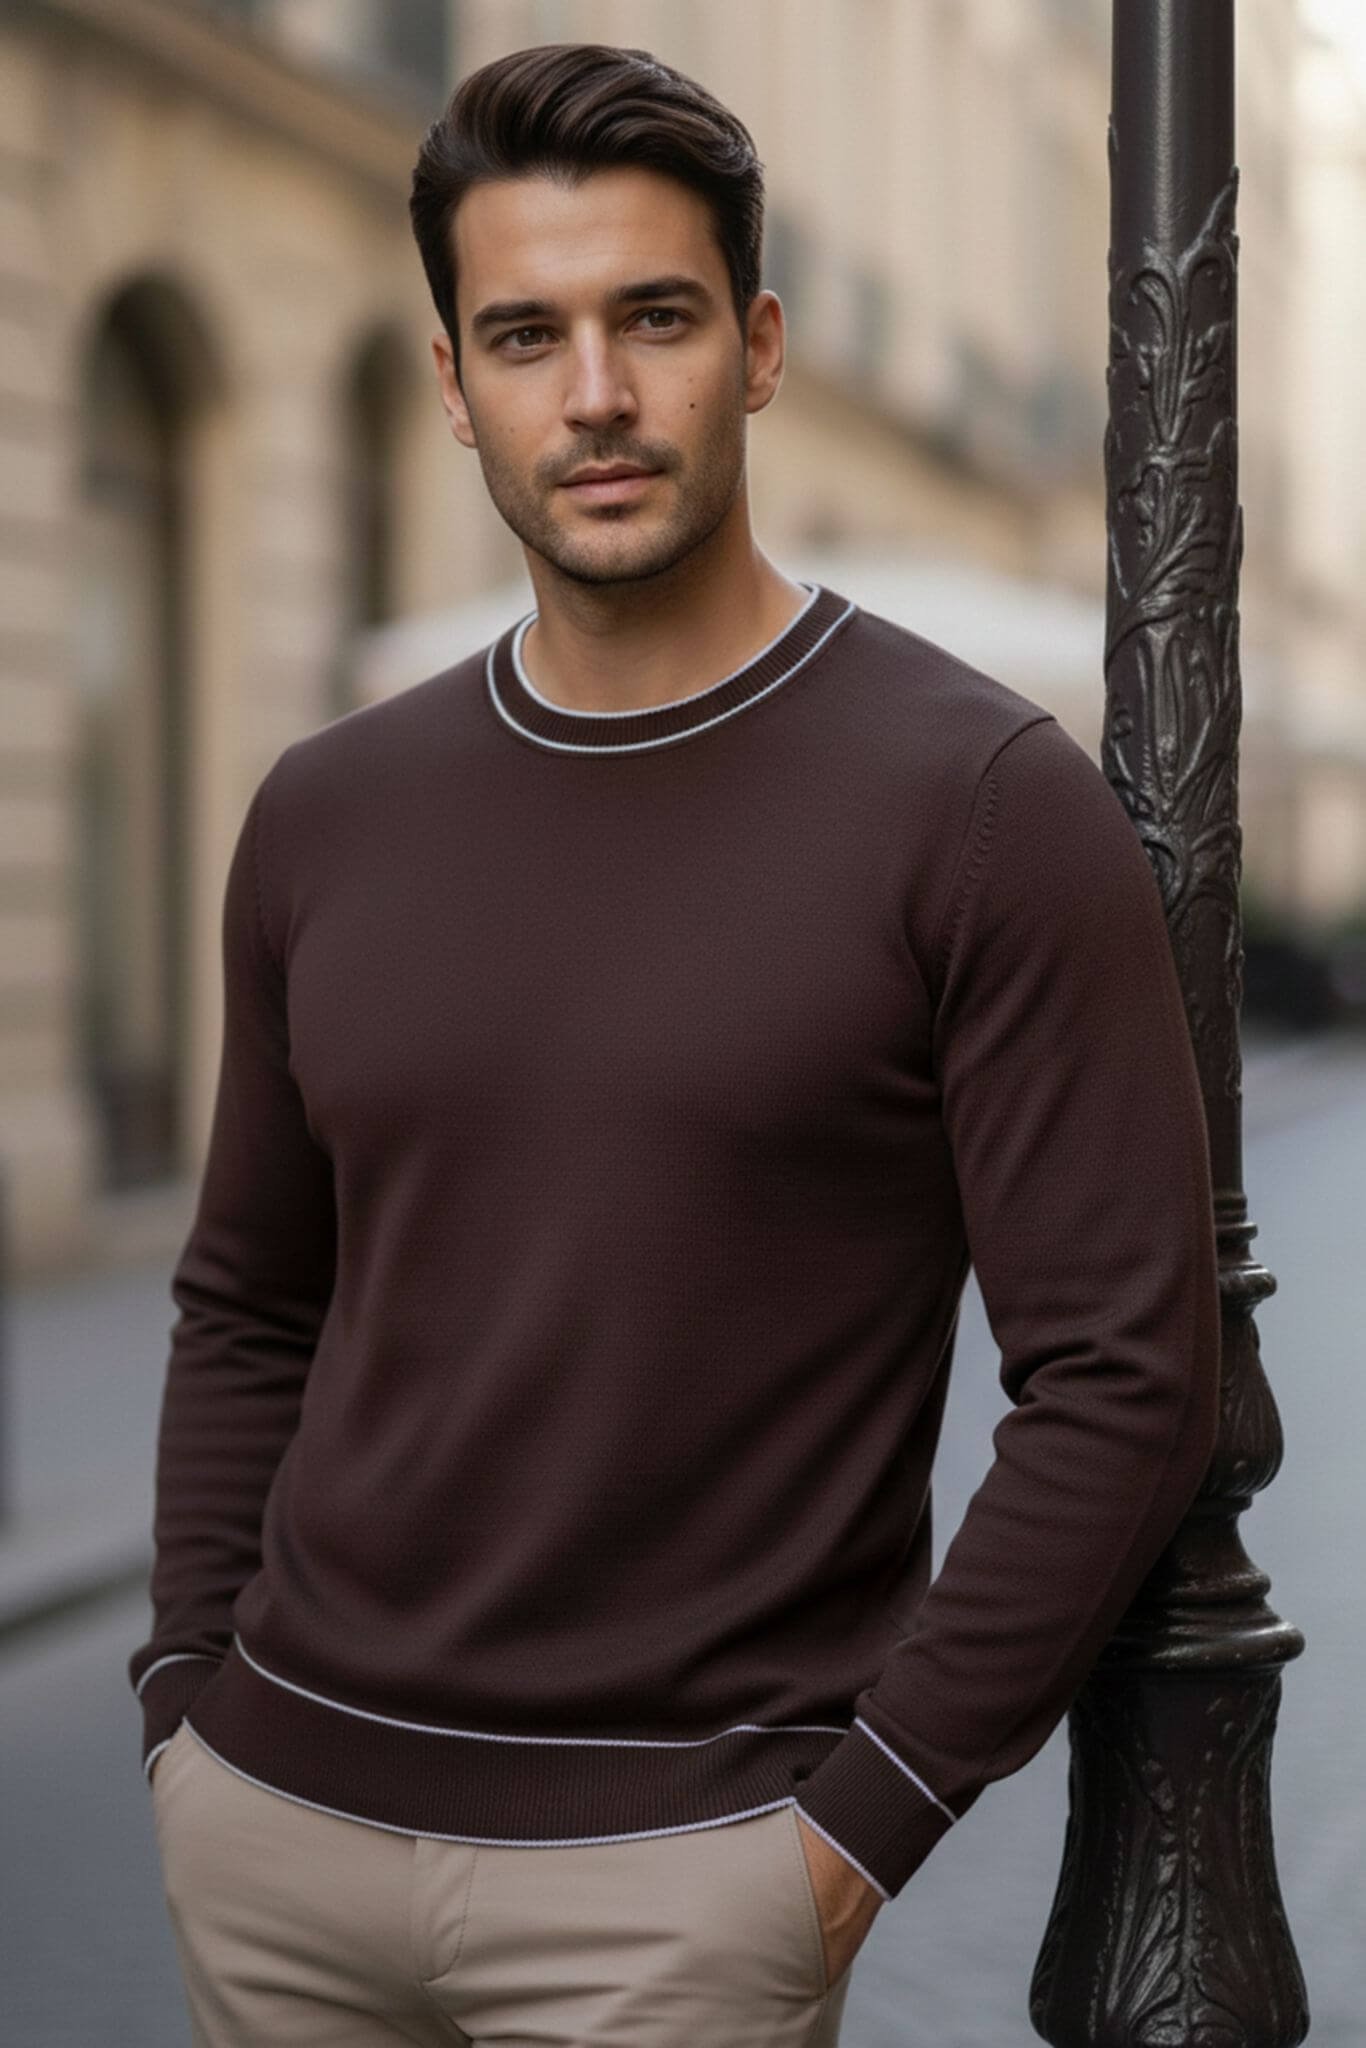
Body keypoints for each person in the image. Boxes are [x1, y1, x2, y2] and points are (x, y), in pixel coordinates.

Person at [129, 39, 1221, 2048]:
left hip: (674, 1900)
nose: (598, 395)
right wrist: (185, 1705)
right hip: (273, 1843)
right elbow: (248, 1298)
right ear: (454, 385)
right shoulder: (323, 810)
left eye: (655, 318)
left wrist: (848, 1831)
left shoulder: (973, 799)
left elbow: (1123, 1373)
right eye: (525, 335)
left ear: (761, 342)